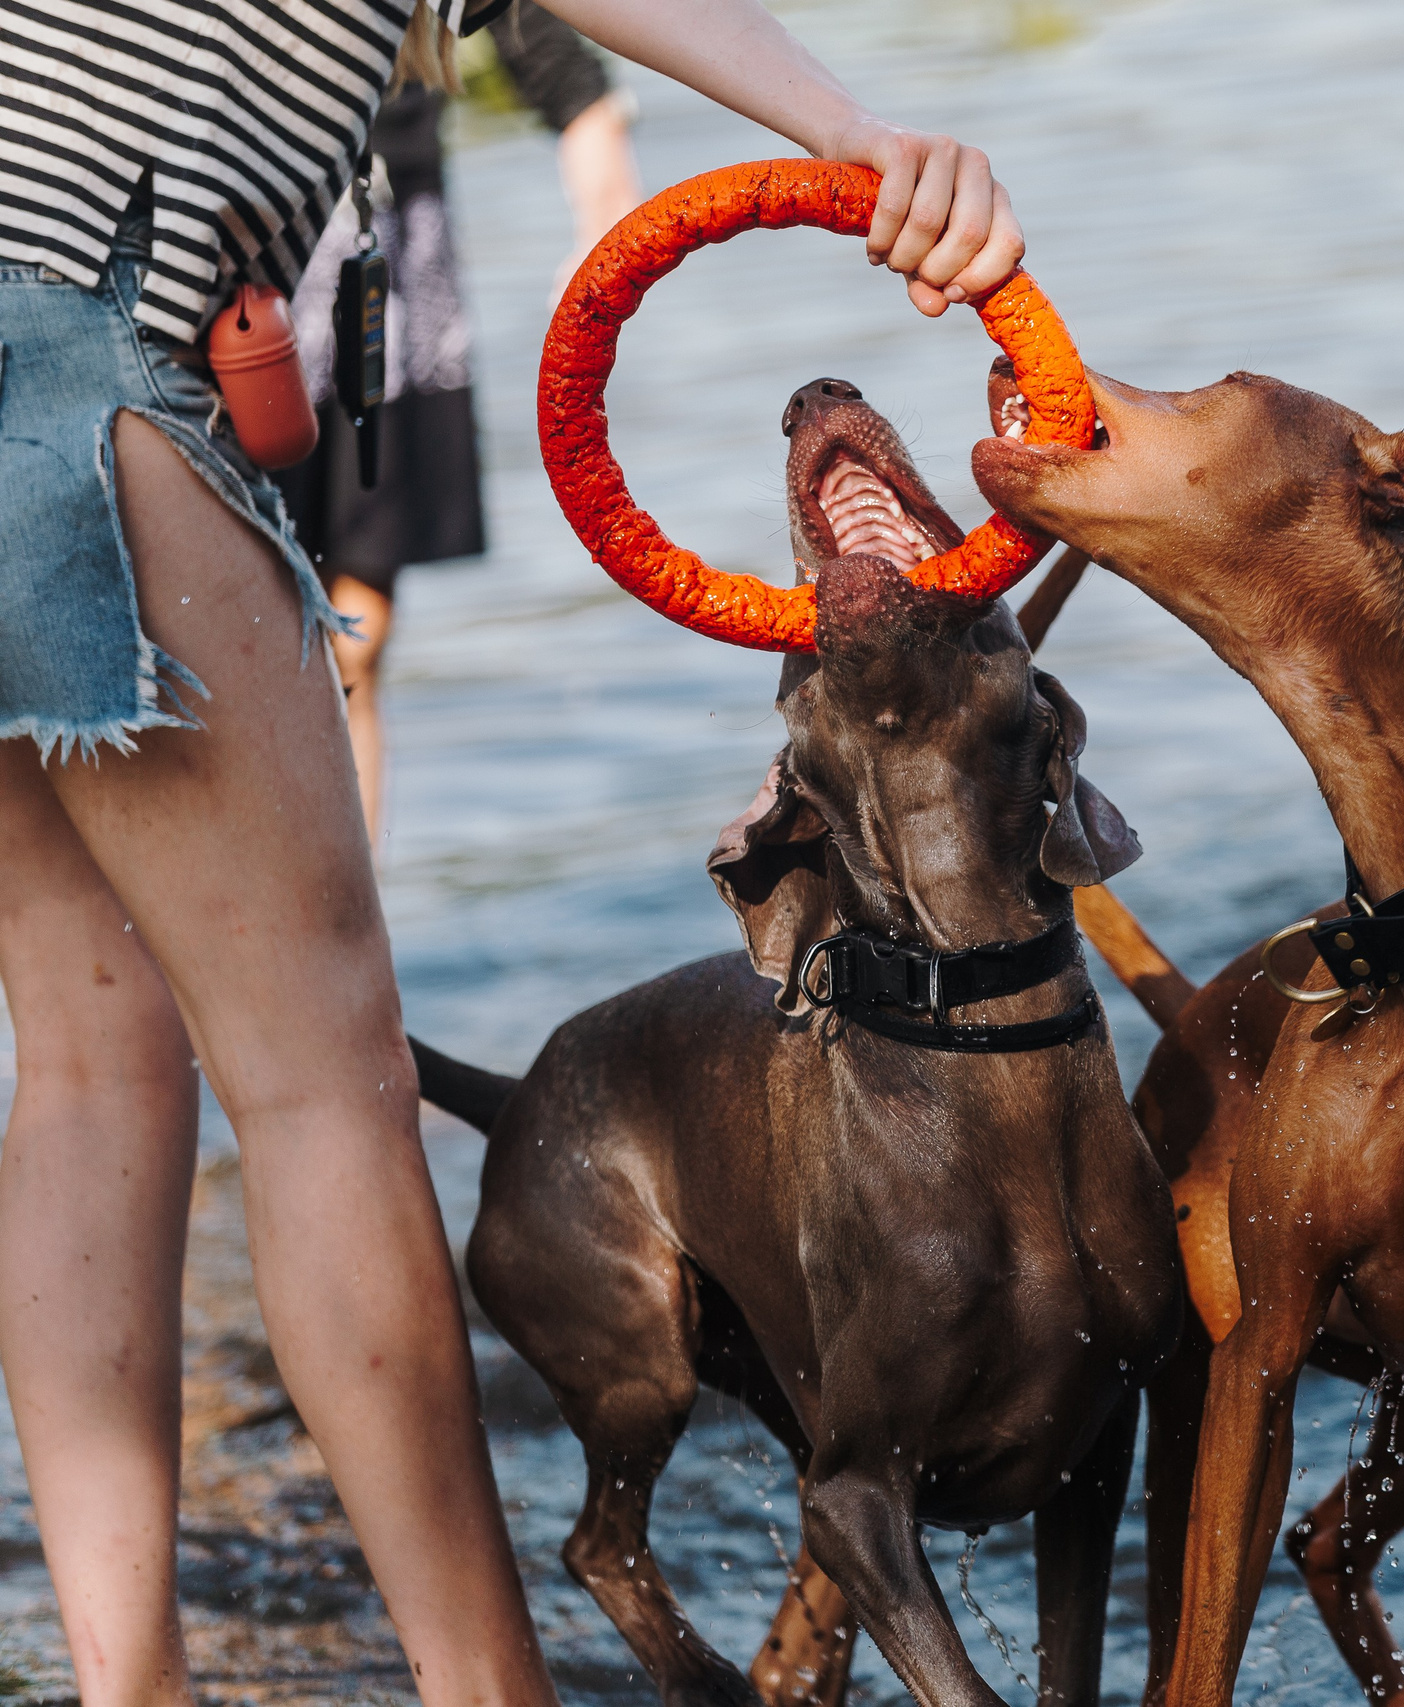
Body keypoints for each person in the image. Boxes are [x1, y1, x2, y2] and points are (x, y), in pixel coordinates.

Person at [0, 0, 1021, 1700]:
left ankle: (129, 1684)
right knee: (325, 1082)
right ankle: (490, 1686)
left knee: (92, 1064)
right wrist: (857, 131)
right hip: (82, 369)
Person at [276, 6, 643, 841]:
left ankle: (357, 919)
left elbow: (550, 55)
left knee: (356, 639)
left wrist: (607, 216)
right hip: (251, 270)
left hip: (392, 266)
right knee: (232, 632)